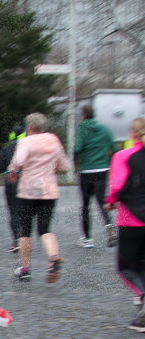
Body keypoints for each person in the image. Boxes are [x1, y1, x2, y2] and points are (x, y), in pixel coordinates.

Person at [7, 112, 69, 283]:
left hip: (28, 191)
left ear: (28, 127)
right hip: (49, 191)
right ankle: (53, 257)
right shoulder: (54, 140)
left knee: (25, 230)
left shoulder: (26, 141)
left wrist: (13, 171)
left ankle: (25, 269)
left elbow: (18, 161)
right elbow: (64, 166)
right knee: (45, 229)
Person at [105, 117, 145, 331]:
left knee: (126, 267)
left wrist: (110, 202)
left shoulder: (124, 155)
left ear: (132, 134)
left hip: (132, 218)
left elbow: (117, 186)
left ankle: (142, 297)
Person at [74, 104, 117, 248]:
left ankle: (87, 238)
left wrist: (76, 162)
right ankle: (109, 226)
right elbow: (114, 148)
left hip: (86, 170)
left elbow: (77, 148)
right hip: (102, 169)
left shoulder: (82, 128)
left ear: (84, 115)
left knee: (86, 204)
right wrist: (109, 162)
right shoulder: (104, 129)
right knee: (101, 201)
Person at [0, 125, 24, 252]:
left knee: (13, 211)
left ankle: (16, 240)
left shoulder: (7, 149)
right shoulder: (28, 147)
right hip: (27, 181)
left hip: (11, 181)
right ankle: (25, 237)